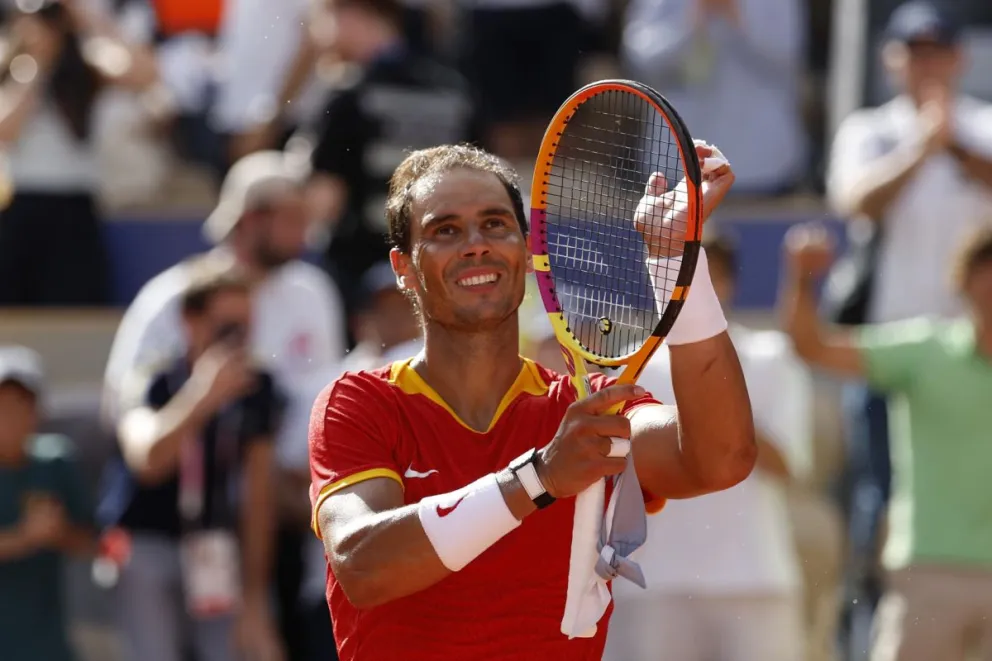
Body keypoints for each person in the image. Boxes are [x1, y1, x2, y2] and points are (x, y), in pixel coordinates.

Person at [308, 142, 757, 660]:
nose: (476, 244)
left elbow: (721, 459)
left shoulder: (584, 406)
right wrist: (539, 479)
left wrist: (677, 259)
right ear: (403, 268)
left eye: (495, 224)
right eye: (445, 231)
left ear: (525, 249)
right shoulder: (359, 402)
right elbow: (363, 567)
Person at [824, 3, 992, 650]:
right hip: (892, 353)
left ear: (959, 58)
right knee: (878, 506)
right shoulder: (868, 130)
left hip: (976, 357)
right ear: (891, 61)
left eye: (936, 50)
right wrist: (925, 144)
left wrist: (951, 141)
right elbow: (855, 201)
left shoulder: (984, 125)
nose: (925, 62)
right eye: (912, 50)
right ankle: (873, 636)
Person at [780, 222, 992, 661]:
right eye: (984, 266)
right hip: (929, 570)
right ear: (964, 277)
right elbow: (812, 347)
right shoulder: (923, 351)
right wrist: (802, 278)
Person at [604, 229, 813, 661]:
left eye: (706, 277)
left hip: (753, 582)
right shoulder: (628, 365)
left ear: (729, 283)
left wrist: (712, 399)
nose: (693, 290)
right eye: (680, 277)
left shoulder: (772, 356)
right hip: (652, 585)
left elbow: (787, 463)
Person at [98, 264, 285, 661]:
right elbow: (146, 460)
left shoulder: (257, 386)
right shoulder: (153, 377)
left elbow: (258, 494)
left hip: (215, 546)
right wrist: (203, 396)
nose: (236, 341)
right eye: (225, 328)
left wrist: (255, 597)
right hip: (146, 542)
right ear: (190, 321)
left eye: (244, 328)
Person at [302, 0, 477, 329]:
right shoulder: (455, 92)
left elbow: (325, 200)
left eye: (325, 19)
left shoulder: (349, 94)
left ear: (358, 15)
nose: (319, 36)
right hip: (443, 271)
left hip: (363, 283)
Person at [0, 0, 158, 305]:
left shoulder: (86, 68)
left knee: (74, 306)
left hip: (76, 210)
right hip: (22, 206)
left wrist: (89, 20)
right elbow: (6, 129)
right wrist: (36, 63)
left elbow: (144, 74)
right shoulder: (11, 66)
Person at [0, 346, 96, 661]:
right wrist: (25, 538)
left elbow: (95, 542)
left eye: (21, 405)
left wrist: (59, 533)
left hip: (46, 644)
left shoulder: (56, 462)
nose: (10, 416)